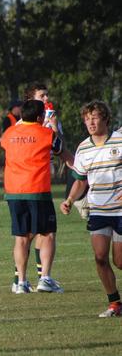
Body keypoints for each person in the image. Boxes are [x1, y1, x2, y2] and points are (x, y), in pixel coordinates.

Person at [0, 100, 72, 294]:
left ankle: (21, 282)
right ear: (40, 117)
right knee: (47, 233)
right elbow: (59, 149)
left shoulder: (9, 134)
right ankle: (45, 279)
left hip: (13, 191)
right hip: (37, 189)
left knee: (21, 237)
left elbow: (4, 145)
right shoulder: (46, 134)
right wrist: (54, 126)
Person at [60, 101, 122, 317]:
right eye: (87, 119)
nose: (91, 122)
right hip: (98, 210)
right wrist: (69, 199)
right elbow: (80, 181)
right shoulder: (83, 148)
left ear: (105, 118)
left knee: (120, 261)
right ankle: (115, 304)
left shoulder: (120, 140)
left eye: (95, 117)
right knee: (100, 258)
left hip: (121, 210)